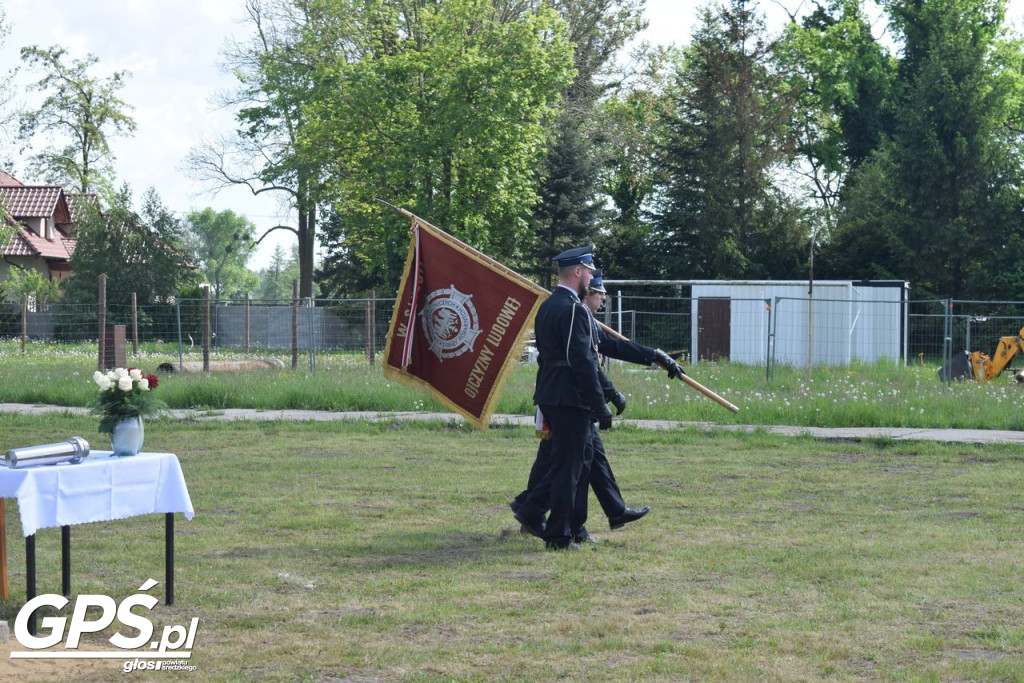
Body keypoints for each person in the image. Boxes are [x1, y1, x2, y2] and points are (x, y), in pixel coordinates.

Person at [521, 245, 612, 550]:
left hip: (552, 394)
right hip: (568, 398)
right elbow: (582, 360)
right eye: (588, 271)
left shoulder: (548, 305)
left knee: (576, 463)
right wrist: (599, 404)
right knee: (568, 469)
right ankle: (557, 535)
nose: (590, 276)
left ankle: (557, 522)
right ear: (577, 272)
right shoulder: (573, 308)